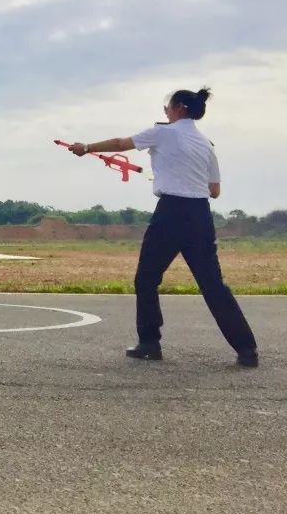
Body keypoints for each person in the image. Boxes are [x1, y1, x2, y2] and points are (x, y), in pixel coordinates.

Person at [68, 87, 258, 367]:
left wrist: (86, 148)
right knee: (213, 285)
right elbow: (214, 190)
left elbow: (122, 144)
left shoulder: (163, 133)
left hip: (171, 213)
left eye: (167, 107)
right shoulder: (206, 144)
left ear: (179, 108)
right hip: (200, 215)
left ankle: (149, 343)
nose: (165, 111)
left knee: (146, 278)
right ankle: (247, 349)